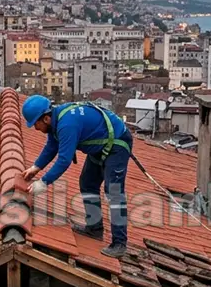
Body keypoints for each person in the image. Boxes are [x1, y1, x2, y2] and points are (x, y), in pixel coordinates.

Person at [21, 95, 133, 259]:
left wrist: (43, 183)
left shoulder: (67, 124)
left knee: (114, 191)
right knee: (88, 183)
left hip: (117, 144)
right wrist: (35, 167)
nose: (35, 128)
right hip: (100, 145)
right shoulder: (56, 120)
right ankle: (95, 229)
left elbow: (64, 160)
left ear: (45, 118)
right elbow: (52, 146)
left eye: (35, 124)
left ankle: (119, 243)